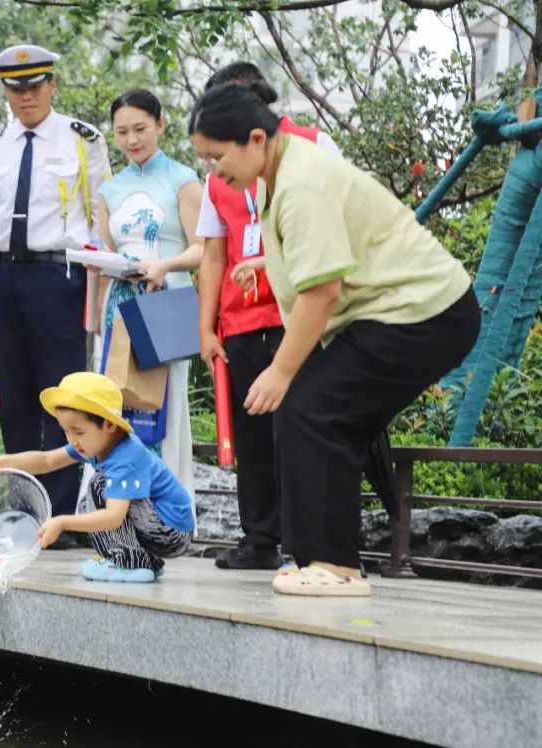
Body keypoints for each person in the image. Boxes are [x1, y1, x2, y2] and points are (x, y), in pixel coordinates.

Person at [188, 85, 479, 596]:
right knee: (320, 413)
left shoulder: (301, 183)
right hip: (395, 312)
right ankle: (320, 560)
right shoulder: (272, 175)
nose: (213, 171)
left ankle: (335, 565)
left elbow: (322, 290)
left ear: (256, 139)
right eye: (204, 160)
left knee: (310, 407)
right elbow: (312, 252)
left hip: (426, 311)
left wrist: (279, 370)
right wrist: (265, 262)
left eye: (217, 156)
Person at [0, 45, 110, 547]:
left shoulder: (82, 140)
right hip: (9, 276)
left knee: (65, 396)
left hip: (59, 276)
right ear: (5, 91)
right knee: (16, 398)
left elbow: (101, 216)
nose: (26, 97)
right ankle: (24, 511)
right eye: (15, 88)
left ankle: (62, 514)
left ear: (52, 85)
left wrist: (104, 285)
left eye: (35, 86)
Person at [194, 63, 342, 571]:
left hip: (297, 311)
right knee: (253, 438)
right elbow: (214, 254)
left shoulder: (313, 146)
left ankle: (313, 545)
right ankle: (259, 538)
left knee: (300, 427)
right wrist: (206, 326)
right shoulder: (216, 174)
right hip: (240, 320)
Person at [0, 372, 194, 582]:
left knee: (100, 486)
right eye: (66, 431)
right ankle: (143, 562)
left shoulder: (126, 457)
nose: (72, 440)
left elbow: (114, 517)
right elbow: (47, 460)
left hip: (171, 532)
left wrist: (62, 522)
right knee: (91, 498)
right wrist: (0, 463)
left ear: (109, 424)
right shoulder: (98, 445)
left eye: (78, 432)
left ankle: (130, 563)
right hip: (156, 526)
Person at [93, 89, 202, 507]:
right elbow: (106, 250)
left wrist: (163, 266)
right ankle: (116, 509)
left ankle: (165, 509)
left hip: (164, 308)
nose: (131, 140)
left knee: (161, 410)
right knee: (114, 405)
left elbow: (202, 249)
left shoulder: (183, 179)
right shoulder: (111, 189)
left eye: (140, 129)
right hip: (119, 308)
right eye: (121, 132)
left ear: (160, 124)